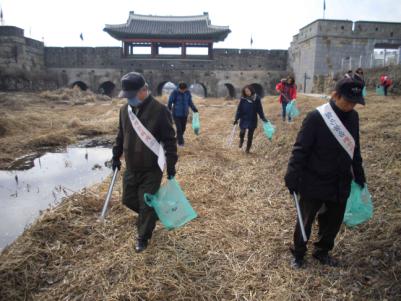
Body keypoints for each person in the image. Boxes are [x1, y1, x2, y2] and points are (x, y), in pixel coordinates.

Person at [284, 77, 366, 269]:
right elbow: (301, 148)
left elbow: (355, 148)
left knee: (333, 221)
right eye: (348, 101)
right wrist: (292, 175)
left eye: (355, 102)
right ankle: (298, 253)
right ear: (335, 95)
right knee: (306, 218)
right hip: (314, 178)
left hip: (340, 179)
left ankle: (322, 251)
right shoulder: (316, 117)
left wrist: (359, 172)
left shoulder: (354, 117)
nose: (351, 106)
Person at [112, 72, 178, 253]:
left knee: (146, 202)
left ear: (144, 90)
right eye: (127, 96)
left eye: (132, 95)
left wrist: (171, 165)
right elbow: (120, 135)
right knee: (128, 200)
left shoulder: (160, 110)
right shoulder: (124, 110)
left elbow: (170, 141)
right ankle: (153, 214)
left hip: (151, 168)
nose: (130, 99)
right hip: (132, 167)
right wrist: (115, 156)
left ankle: (143, 237)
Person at [233, 85, 269, 153]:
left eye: (248, 91)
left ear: (251, 90)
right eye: (245, 91)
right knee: (242, 132)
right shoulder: (243, 99)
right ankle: (241, 140)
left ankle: (247, 149)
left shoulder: (256, 98)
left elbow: (260, 109)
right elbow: (239, 109)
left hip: (252, 119)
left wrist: (263, 117)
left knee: (250, 135)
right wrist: (236, 118)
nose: (247, 93)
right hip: (244, 118)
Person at [168, 82, 198, 147]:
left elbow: (190, 102)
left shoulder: (187, 93)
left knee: (183, 128)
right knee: (179, 129)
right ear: (179, 88)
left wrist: (194, 109)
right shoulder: (175, 93)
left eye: (184, 90)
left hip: (184, 114)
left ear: (186, 89)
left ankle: (177, 139)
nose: (183, 91)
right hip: (176, 113)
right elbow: (170, 101)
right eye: (181, 90)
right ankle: (180, 143)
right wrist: (169, 109)